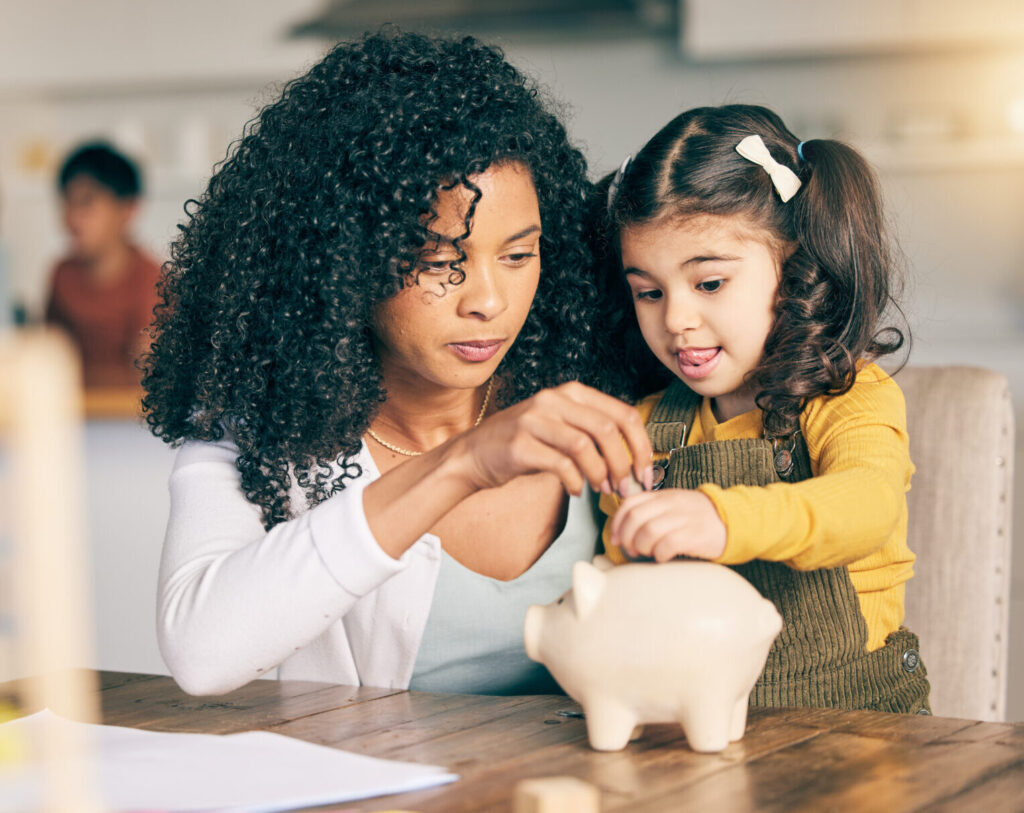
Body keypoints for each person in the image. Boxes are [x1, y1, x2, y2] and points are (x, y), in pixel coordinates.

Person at [144, 30, 653, 697]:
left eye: (518, 255)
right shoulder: (266, 427)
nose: (489, 301)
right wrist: (463, 462)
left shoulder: (602, 385)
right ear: (344, 260)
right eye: (442, 262)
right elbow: (201, 651)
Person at [597, 104, 931, 713]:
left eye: (709, 283)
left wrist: (720, 519)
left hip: (854, 727)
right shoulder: (646, 424)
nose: (675, 320)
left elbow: (867, 505)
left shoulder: (848, 397)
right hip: (698, 727)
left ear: (794, 267)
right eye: (648, 291)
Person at [44, 142, 161, 388]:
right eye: (67, 202)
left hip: (128, 420)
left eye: (86, 203)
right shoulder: (62, 275)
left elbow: (147, 375)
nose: (72, 217)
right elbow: (48, 358)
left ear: (128, 210)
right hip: (72, 416)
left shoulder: (152, 280)